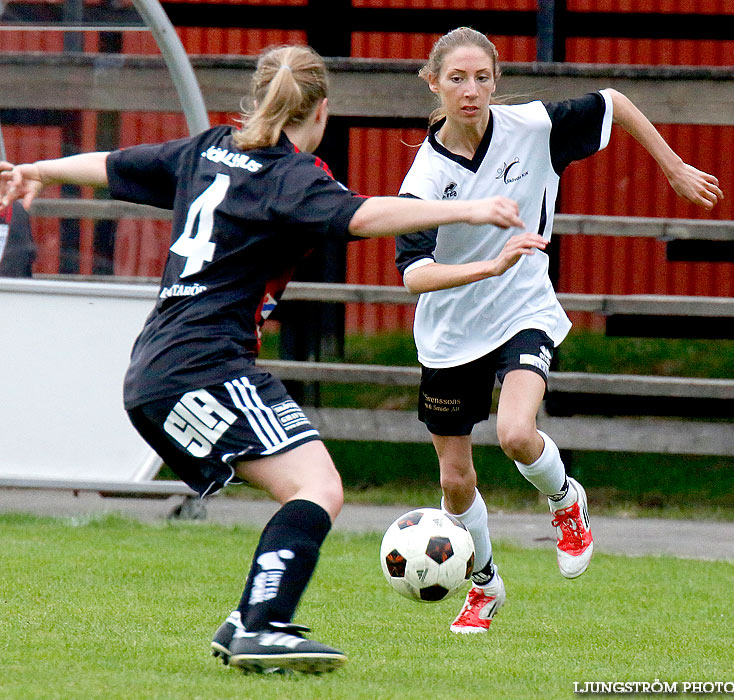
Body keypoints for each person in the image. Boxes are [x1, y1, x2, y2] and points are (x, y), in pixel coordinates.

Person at [0, 44, 525, 674]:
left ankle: (251, 618)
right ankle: (263, 625)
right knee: (318, 486)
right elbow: (366, 215)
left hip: (158, 370)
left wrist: (39, 167)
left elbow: (114, 166)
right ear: (322, 110)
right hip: (207, 366)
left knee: (302, 488)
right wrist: (471, 206)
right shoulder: (289, 175)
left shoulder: (208, 149)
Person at [394, 27, 723, 634]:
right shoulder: (423, 179)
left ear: (497, 81)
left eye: (483, 78)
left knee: (518, 433)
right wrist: (488, 264)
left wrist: (674, 169)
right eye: (457, 79)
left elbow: (615, 101)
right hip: (449, 332)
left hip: (523, 308)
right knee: (454, 477)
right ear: (433, 83)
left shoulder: (532, 128)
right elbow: (415, 275)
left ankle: (566, 502)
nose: (471, 91)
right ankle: (485, 585)